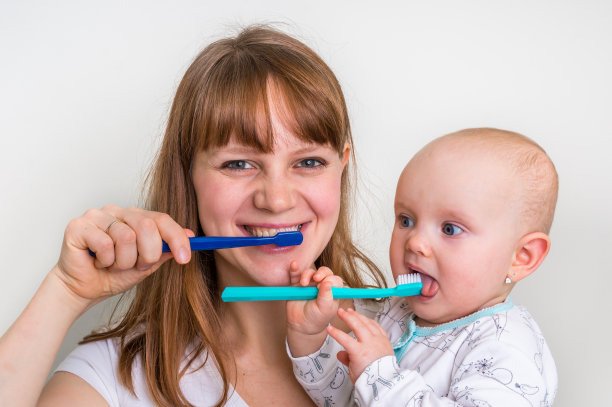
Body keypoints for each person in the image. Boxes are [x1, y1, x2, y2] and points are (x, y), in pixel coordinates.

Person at [0, 25, 387, 407]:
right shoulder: (120, 377)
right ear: (188, 174)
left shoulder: (413, 339)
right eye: (238, 163)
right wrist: (65, 292)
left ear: (343, 166)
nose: (277, 199)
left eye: (308, 161)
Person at [286, 128, 558, 406]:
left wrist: (380, 375)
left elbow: (379, 386)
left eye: (450, 229)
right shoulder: (396, 312)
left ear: (521, 257)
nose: (415, 242)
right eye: (406, 220)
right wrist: (311, 334)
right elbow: (342, 399)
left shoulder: (506, 347)